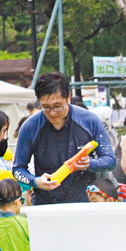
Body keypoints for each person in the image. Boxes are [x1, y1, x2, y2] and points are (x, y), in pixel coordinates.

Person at [13, 72, 115, 205]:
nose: (53, 112)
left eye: (58, 106)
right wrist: (35, 181)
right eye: (46, 107)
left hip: (83, 202)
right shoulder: (30, 127)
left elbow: (110, 161)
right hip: (45, 203)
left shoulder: (90, 121)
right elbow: (18, 170)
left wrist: (90, 164)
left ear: (68, 98)